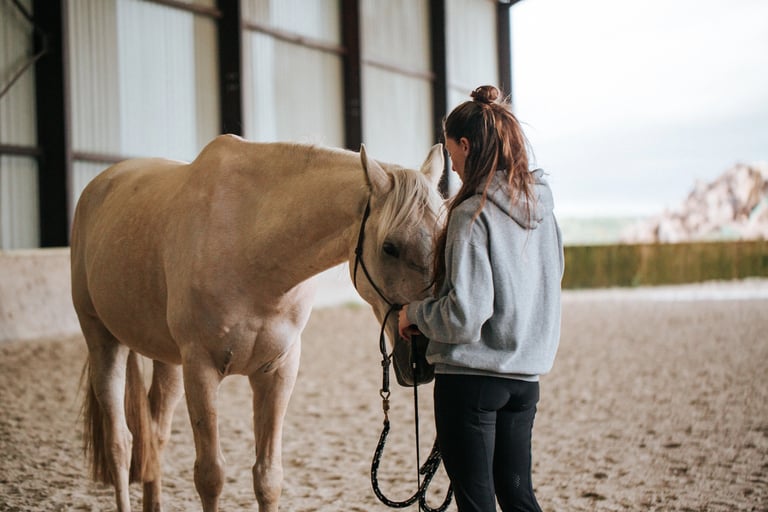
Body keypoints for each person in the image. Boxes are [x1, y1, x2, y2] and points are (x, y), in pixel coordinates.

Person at [397, 85, 564, 512]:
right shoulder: (542, 209)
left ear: (467, 146)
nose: (451, 164)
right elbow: (550, 283)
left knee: (476, 504)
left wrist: (413, 313)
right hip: (525, 379)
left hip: (470, 383)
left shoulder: (472, 214)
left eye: (452, 153)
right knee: (519, 497)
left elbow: (465, 315)